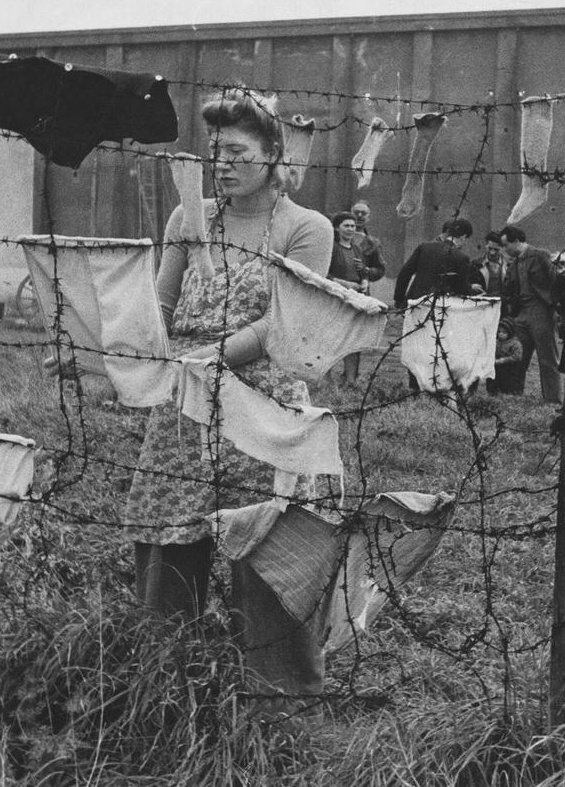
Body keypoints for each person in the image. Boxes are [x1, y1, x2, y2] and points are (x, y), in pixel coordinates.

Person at [119, 89, 335, 698]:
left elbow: (287, 323)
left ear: (274, 155)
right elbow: (160, 305)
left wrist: (217, 355)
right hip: (184, 401)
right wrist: (118, 351)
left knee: (267, 544)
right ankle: (163, 683)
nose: (224, 162)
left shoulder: (306, 228)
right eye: (216, 151)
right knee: (170, 535)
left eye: (238, 151)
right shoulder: (190, 218)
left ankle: (277, 695)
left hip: (262, 405)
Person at [394, 217, 479, 392]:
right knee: (436, 347)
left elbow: (405, 273)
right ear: (463, 236)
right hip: (441, 309)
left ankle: (414, 385)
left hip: (416, 304)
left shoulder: (425, 247)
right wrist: (472, 290)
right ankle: (434, 384)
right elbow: (462, 290)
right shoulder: (461, 257)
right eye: (465, 240)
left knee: (416, 346)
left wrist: (399, 300)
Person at [500, 224, 561, 404]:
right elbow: (508, 289)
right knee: (518, 353)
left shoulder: (540, 255)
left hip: (541, 311)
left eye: (505, 245)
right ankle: (514, 393)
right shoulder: (515, 263)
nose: (504, 249)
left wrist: (552, 305)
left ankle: (553, 399)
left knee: (547, 356)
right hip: (521, 313)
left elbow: (555, 281)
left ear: (517, 241)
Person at [327, 210, 370, 382]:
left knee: (352, 340)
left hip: (354, 301)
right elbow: (323, 274)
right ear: (337, 228)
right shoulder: (332, 248)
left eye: (353, 226)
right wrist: (344, 284)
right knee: (331, 338)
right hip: (336, 299)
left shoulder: (357, 249)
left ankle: (351, 379)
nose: (350, 229)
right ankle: (326, 378)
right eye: (346, 226)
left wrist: (365, 279)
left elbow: (364, 271)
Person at [350, 200, 386, 284]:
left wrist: (366, 270)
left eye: (363, 213)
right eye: (356, 212)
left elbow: (380, 270)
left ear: (368, 217)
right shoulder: (337, 237)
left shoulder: (373, 243)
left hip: (360, 289)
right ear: (350, 215)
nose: (359, 215)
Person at [489, 315, 524, 395]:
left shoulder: (515, 343)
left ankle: (509, 393)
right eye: (499, 332)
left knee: (508, 384)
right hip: (496, 366)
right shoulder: (496, 342)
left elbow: (517, 357)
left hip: (509, 368)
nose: (501, 334)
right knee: (493, 381)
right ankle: (493, 392)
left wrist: (504, 360)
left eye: (504, 332)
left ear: (510, 332)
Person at [473, 230, 507, 298]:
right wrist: (472, 286)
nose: (492, 253)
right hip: (482, 303)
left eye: (496, 249)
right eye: (490, 248)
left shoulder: (509, 265)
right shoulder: (475, 264)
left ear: (502, 248)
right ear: (486, 246)